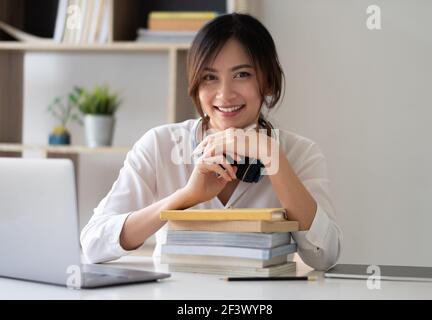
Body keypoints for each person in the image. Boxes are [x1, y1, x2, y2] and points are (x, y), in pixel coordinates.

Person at [80, 13, 342, 271]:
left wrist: (273, 158)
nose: (224, 94)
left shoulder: (300, 153)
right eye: (209, 77)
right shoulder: (160, 145)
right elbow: (93, 243)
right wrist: (185, 197)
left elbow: (324, 256)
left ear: (269, 81)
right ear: (195, 83)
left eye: (242, 75)